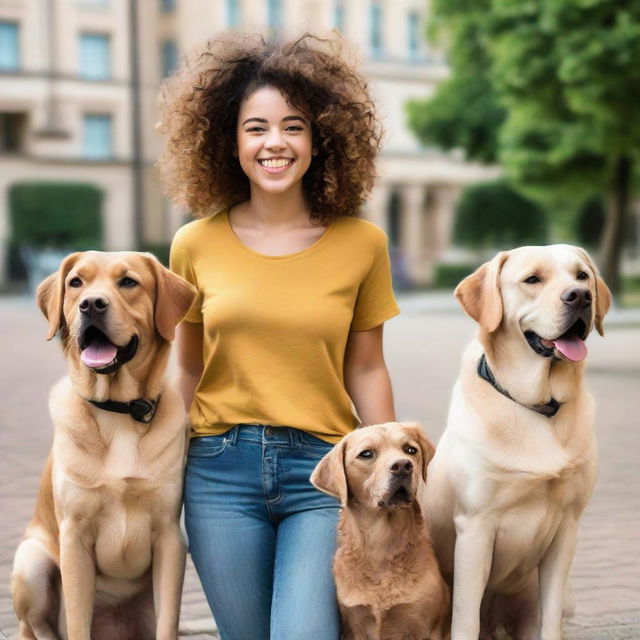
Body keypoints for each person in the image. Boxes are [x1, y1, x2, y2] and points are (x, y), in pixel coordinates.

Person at [157, 32, 400, 640]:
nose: (274, 143)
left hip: (322, 473)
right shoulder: (193, 244)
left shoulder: (362, 244)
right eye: (256, 127)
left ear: (320, 140)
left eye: (294, 126)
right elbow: (187, 368)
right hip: (218, 475)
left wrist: (389, 465)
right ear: (229, 140)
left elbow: (366, 367)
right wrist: (158, 462)